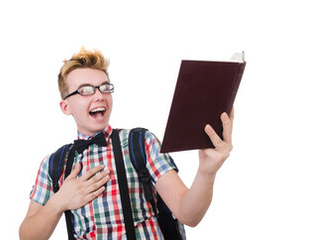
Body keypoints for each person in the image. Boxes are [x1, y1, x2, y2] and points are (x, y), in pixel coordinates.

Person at [18, 47, 234, 240]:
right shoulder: (53, 164)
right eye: (85, 90)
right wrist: (60, 201)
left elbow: (188, 215)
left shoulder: (141, 143)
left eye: (104, 87)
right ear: (66, 107)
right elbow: (27, 236)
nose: (99, 95)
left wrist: (207, 172)